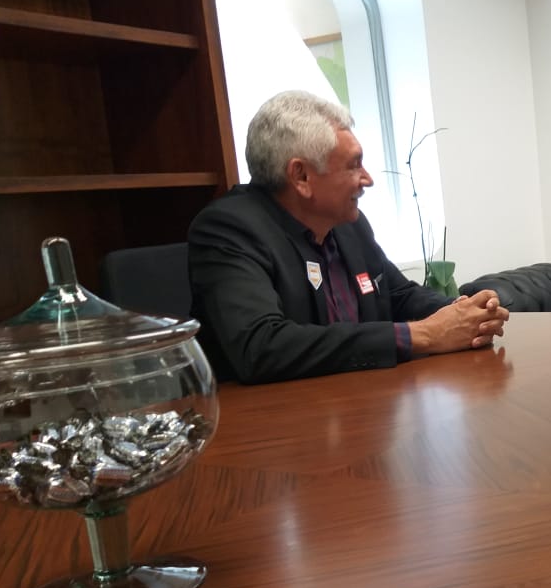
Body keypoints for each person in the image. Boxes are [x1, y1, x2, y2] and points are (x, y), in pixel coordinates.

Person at [189, 90, 509, 384]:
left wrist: (463, 312)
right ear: (301, 176)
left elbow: (398, 295)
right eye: (354, 165)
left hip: (364, 402)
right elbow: (261, 347)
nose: (368, 179)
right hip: (278, 417)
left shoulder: (347, 224)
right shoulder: (228, 230)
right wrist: (424, 335)